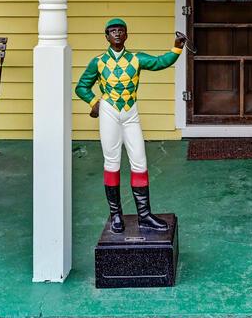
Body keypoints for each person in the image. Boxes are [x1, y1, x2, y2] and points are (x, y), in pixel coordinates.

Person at [75, 18, 186, 233]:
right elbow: (81, 87)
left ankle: (144, 215)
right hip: (109, 113)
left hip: (130, 113)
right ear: (106, 36)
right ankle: (116, 215)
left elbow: (160, 62)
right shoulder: (98, 61)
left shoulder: (136, 58)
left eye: (121, 30)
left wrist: (177, 47)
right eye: (112, 31)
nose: (117, 34)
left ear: (126, 35)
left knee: (139, 161)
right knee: (112, 162)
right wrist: (94, 102)